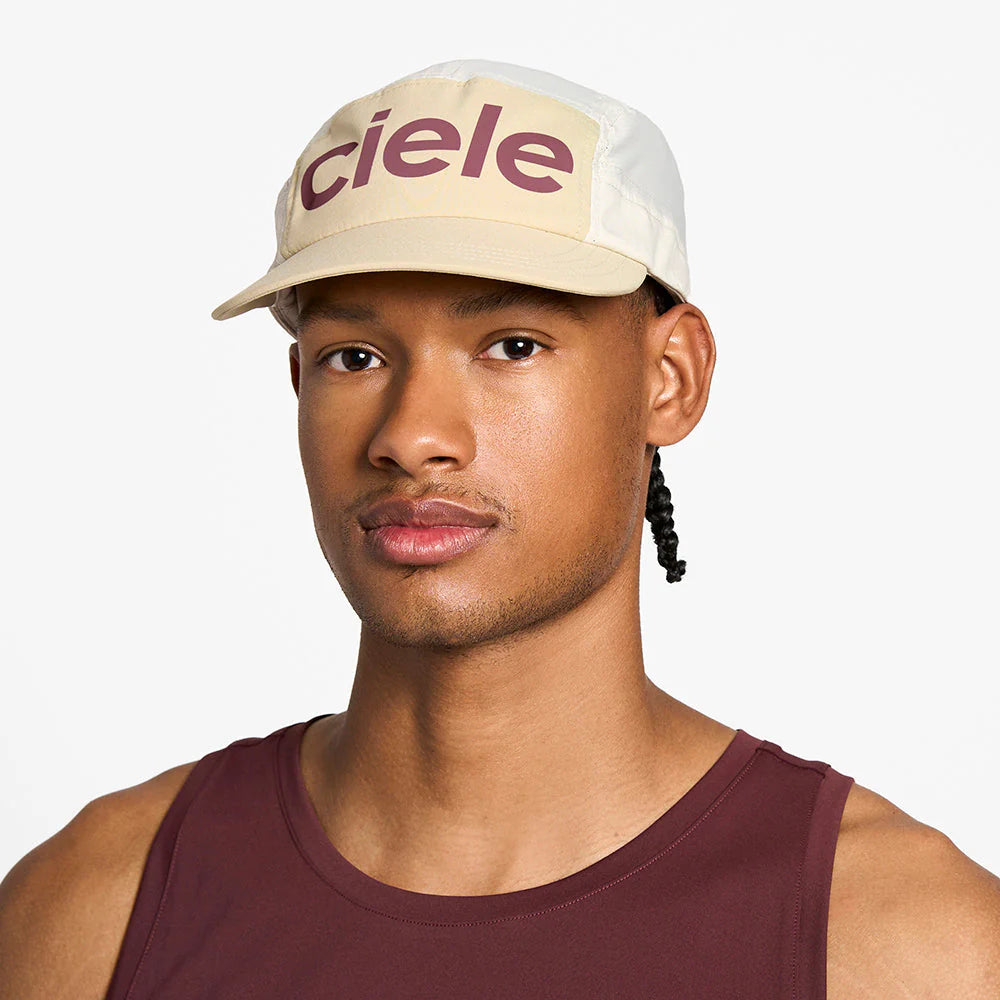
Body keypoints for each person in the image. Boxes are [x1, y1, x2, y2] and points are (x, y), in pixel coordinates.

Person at [1, 58, 997, 1000]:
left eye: (512, 345)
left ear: (669, 379)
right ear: (297, 383)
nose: (410, 436)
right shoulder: (95, 909)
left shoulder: (907, 945)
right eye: (354, 357)